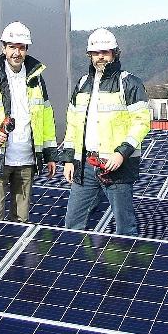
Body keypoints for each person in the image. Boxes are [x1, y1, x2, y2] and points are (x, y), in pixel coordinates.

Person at [0, 21, 58, 222]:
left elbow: (47, 120)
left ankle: (18, 256)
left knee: (21, 222)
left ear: (26, 50)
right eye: (12, 47)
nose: (17, 52)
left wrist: (50, 155)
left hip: (27, 161)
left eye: (21, 47)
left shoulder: (37, 80)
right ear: (3, 48)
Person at [61, 28, 152, 235]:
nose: (100, 56)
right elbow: (73, 124)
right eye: (96, 52)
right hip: (85, 165)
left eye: (105, 52)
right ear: (90, 55)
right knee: (72, 225)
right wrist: (68, 159)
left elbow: (141, 122)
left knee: (124, 226)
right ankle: (76, 265)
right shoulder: (83, 83)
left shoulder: (129, 83)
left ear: (114, 53)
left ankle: (127, 266)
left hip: (116, 166)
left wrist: (121, 153)